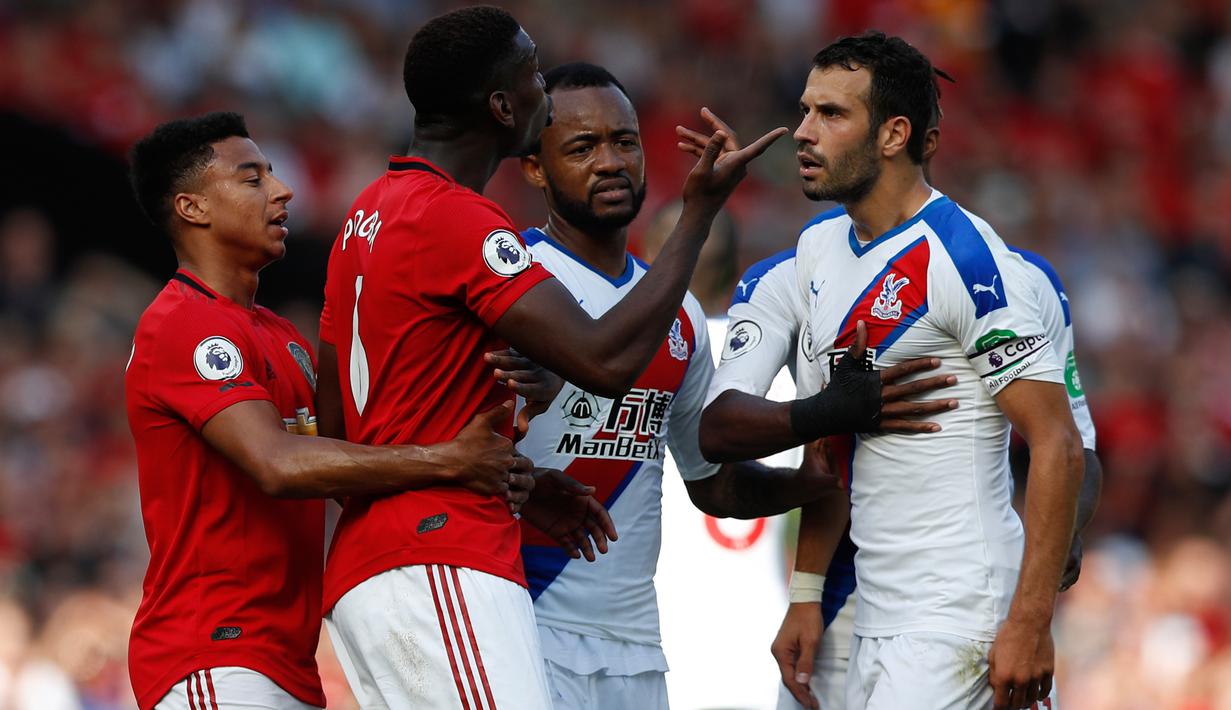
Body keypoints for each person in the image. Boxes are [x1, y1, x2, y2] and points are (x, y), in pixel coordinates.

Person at [313, 7, 792, 709]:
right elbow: (603, 359)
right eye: (534, 74)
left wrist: (518, 477)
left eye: (625, 141)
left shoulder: (371, 214)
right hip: (446, 554)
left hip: (428, 566)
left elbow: (338, 421)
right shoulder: (467, 228)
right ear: (508, 111)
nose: (609, 159)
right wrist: (697, 213)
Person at [689, 32, 1086, 710]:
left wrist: (1028, 620)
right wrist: (807, 593)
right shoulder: (819, 248)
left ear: (893, 134)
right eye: (805, 110)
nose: (803, 133)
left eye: (831, 115)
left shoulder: (963, 258)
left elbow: (1057, 443)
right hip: (876, 613)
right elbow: (832, 448)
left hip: (957, 612)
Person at [124, 112, 531, 710]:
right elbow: (279, 465)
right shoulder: (183, 322)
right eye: (252, 179)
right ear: (192, 209)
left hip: (284, 661)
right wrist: (448, 460)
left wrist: (511, 473)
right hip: (211, 653)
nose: (282, 190)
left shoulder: (281, 335)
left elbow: (344, 461)